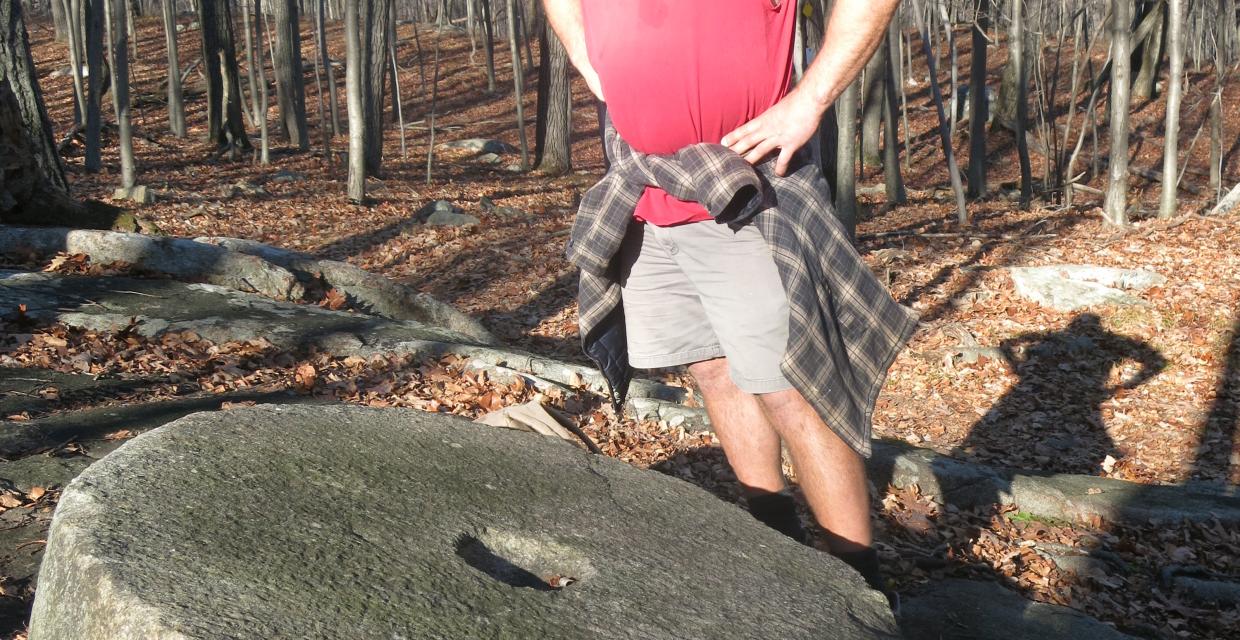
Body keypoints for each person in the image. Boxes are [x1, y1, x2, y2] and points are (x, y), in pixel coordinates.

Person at [544, 0, 911, 597]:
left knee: (796, 390)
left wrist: (811, 99)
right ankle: (777, 535)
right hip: (646, 188)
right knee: (713, 368)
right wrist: (589, 59)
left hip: (749, 191)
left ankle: (859, 587)